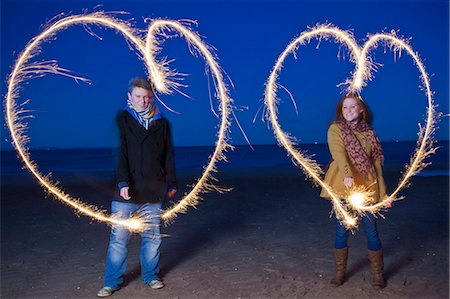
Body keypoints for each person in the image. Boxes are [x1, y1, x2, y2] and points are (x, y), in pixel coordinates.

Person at [97, 77, 177, 297]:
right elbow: (120, 153)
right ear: (130, 97)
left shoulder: (162, 123)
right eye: (139, 97)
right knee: (119, 240)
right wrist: (123, 182)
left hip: (153, 189)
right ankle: (112, 281)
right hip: (125, 189)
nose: (144, 101)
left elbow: (167, 154)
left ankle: (151, 276)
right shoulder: (122, 119)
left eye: (148, 97)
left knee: (152, 238)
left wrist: (171, 182)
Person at [320, 93, 386, 289]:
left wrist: (383, 195)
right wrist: (347, 174)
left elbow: (376, 167)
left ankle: (377, 274)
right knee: (342, 229)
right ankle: (340, 272)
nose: (348, 110)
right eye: (345, 107)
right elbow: (338, 153)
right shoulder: (335, 129)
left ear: (361, 110)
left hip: (366, 187)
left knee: (371, 230)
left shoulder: (370, 134)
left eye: (352, 106)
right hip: (343, 185)